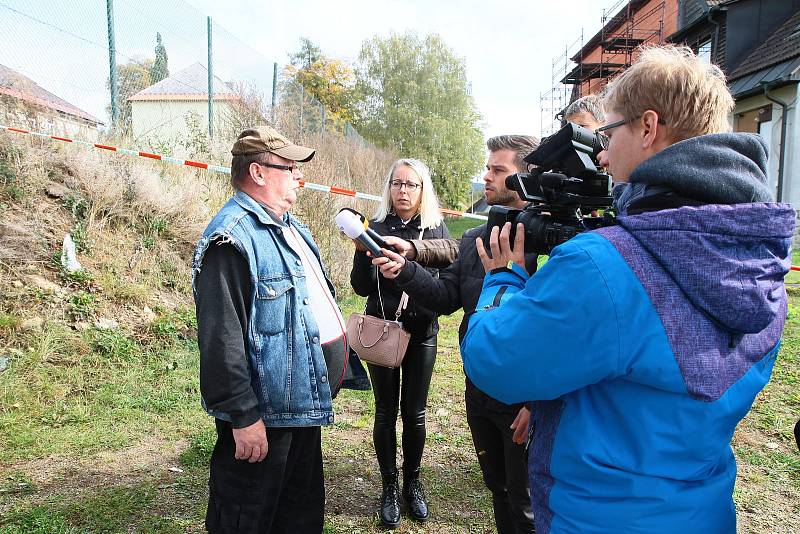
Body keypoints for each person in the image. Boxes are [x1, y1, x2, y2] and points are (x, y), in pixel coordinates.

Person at [461, 45, 795, 533]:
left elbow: (497, 362)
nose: (601, 151)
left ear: (648, 127)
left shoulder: (605, 267)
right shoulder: (758, 261)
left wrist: (504, 279)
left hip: (602, 516)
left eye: (608, 131)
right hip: (701, 510)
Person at [373, 136, 539, 534]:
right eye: (488, 167)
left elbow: (565, 333)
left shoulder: (548, 245)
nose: (486, 175)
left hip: (526, 401)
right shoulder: (474, 239)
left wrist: (540, 401)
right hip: (479, 393)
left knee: (528, 503)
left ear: (526, 178)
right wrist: (406, 269)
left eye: (498, 170)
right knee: (498, 490)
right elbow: (446, 297)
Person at [193, 126, 347, 533]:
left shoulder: (287, 226)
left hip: (301, 408)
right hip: (265, 417)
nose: (300, 177)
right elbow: (221, 337)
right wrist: (243, 416)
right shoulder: (232, 238)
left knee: (298, 519)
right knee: (248, 519)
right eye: (290, 168)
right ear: (258, 173)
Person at [348, 158, 450, 528]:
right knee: (385, 410)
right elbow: (359, 287)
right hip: (381, 331)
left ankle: (412, 482)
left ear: (423, 190)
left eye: (411, 185)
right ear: (389, 188)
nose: (403, 191)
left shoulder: (436, 230)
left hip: (422, 332)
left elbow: (446, 287)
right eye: (397, 184)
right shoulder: (374, 228)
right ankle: (389, 484)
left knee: (415, 412)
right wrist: (362, 255)